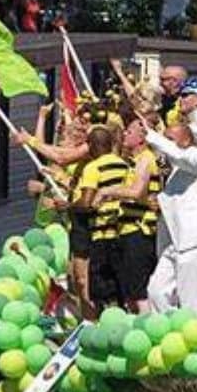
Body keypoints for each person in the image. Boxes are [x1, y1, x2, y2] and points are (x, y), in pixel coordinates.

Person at [145, 122, 197, 312]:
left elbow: (179, 155)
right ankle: (168, 333)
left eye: (170, 139)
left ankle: (195, 336)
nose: (165, 144)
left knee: (190, 296)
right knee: (156, 290)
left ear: (186, 141)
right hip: (173, 241)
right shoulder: (174, 172)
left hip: (194, 238)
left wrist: (151, 135)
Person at [94, 118, 161, 313]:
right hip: (126, 230)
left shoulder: (146, 159)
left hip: (139, 232)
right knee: (130, 291)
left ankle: (147, 330)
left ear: (142, 138)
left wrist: (108, 191)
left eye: (129, 131)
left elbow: (137, 192)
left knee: (139, 291)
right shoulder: (133, 162)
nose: (124, 134)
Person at [72, 126, 129, 311]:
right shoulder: (124, 164)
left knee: (100, 287)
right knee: (120, 285)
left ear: (91, 145)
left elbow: (87, 202)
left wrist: (68, 205)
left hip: (101, 233)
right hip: (121, 230)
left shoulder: (92, 168)